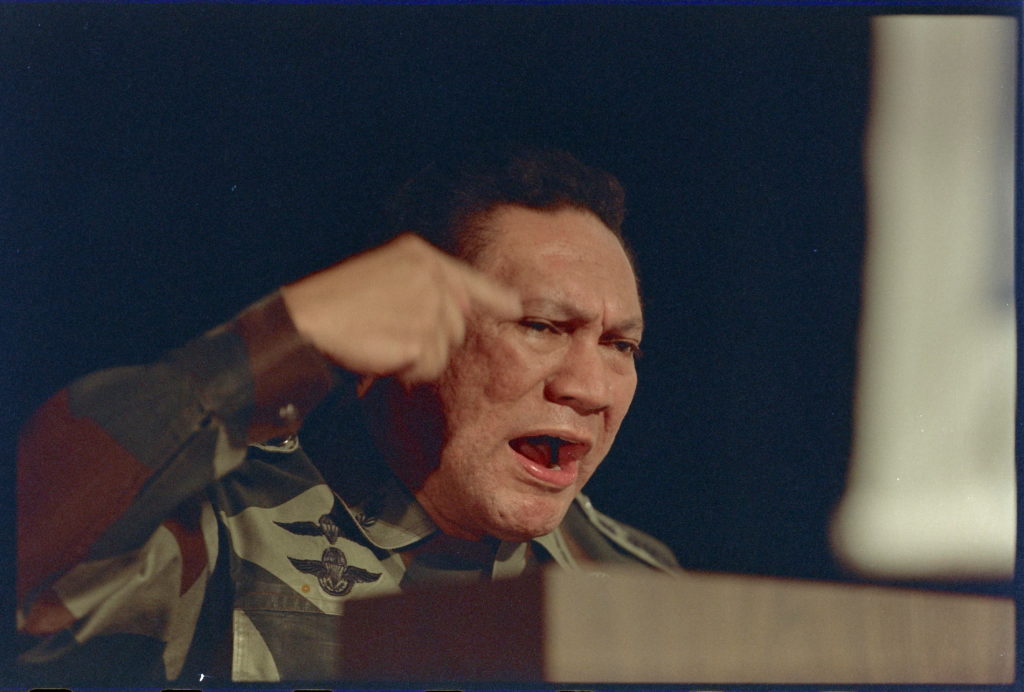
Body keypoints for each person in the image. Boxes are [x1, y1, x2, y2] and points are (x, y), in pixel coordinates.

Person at [16, 144, 679, 684]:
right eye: (540, 326)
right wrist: (284, 336)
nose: (590, 386)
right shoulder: (214, 528)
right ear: (406, 329)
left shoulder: (638, 588)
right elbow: (35, 548)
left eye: (621, 345)